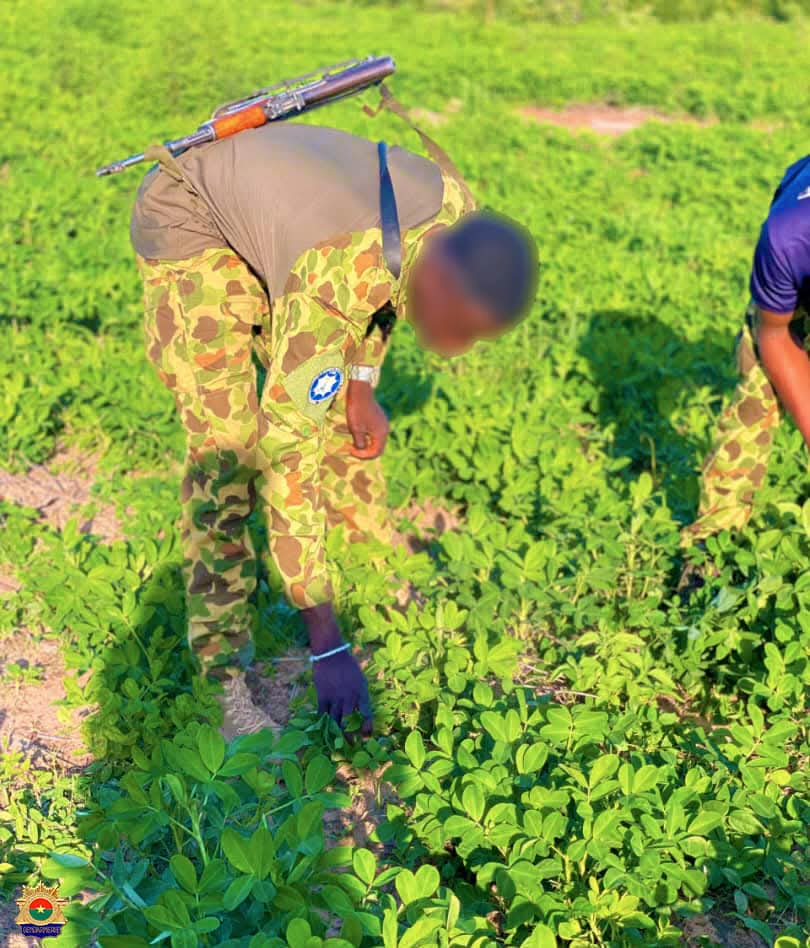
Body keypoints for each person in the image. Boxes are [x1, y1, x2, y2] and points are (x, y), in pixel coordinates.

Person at [130, 120, 538, 739]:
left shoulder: (456, 215)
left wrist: (361, 383)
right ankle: (221, 683)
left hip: (288, 220)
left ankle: (367, 571)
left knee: (339, 408)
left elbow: (385, 292)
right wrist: (327, 645)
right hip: (194, 223)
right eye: (460, 327)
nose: (457, 348)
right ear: (437, 280)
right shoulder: (333, 279)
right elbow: (287, 455)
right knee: (230, 458)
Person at [682, 154, 810, 554]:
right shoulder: (787, 239)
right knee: (757, 396)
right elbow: (775, 335)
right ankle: (710, 545)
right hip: (793, 279)